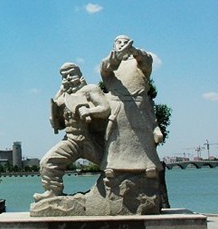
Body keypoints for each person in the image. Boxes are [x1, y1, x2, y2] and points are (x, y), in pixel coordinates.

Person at [34, 63, 110, 201]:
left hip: (89, 139)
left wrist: (89, 111)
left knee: (111, 165)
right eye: (64, 76)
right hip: (71, 140)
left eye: (71, 74)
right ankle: (53, 192)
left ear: (80, 75)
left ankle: (118, 190)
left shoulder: (90, 89)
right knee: (47, 162)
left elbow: (105, 109)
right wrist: (55, 120)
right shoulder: (64, 96)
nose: (68, 78)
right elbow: (60, 124)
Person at [100, 35, 162, 179]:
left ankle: (149, 165)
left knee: (143, 136)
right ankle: (111, 166)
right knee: (116, 138)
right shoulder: (109, 62)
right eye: (119, 42)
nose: (122, 44)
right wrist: (117, 56)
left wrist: (134, 51)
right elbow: (106, 68)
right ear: (114, 45)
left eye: (125, 42)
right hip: (118, 106)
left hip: (139, 105)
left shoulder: (139, 63)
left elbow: (147, 60)